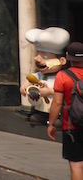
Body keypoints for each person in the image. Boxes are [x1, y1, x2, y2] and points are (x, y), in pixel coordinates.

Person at [48, 41, 83, 179]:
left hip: (71, 127)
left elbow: (57, 102)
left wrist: (51, 124)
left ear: (68, 56)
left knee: (77, 165)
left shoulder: (62, 76)